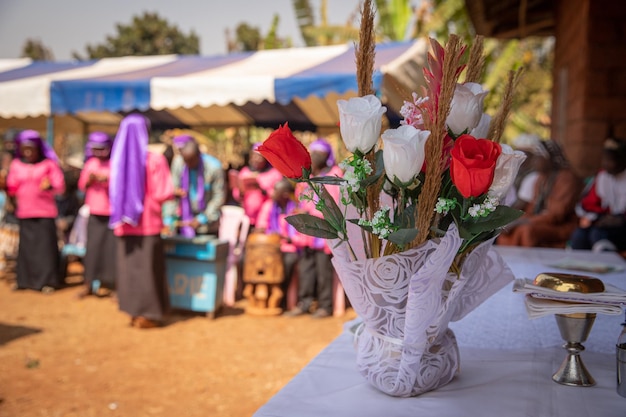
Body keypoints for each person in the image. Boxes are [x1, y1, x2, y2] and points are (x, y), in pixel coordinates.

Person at [109, 114, 174, 329]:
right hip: (148, 223)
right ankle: (149, 314)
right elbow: (163, 192)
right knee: (149, 269)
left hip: (124, 226)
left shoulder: (116, 161)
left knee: (129, 271)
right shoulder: (155, 160)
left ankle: (133, 311)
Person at [285, 138, 343, 318]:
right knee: (305, 267)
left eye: (319, 153)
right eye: (313, 153)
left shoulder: (335, 174)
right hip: (306, 231)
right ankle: (305, 302)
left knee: (323, 268)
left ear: (327, 156)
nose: (315, 156)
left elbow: (337, 202)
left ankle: (325, 305)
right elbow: (300, 198)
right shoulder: (306, 177)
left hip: (324, 229)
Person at [6, 130, 65, 293]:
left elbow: (60, 187)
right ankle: (24, 280)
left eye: (31, 148)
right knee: (26, 249)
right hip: (25, 211)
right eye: (24, 148)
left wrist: (50, 186)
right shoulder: (17, 165)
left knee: (45, 249)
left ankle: (47, 281)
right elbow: (12, 187)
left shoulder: (48, 164)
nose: (28, 152)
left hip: (45, 212)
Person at [497, 139, 584, 248]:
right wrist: (517, 221)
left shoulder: (567, 179)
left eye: (539, 157)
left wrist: (525, 221)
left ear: (550, 159)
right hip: (540, 221)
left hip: (561, 225)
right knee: (505, 231)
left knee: (526, 230)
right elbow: (533, 209)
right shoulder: (541, 179)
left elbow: (557, 214)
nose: (534, 161)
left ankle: (530, 263)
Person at [77, 132, 116, 297]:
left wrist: (106, 181)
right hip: (94, 212)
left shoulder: (115, 163)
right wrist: (90, 180)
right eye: (96, 149)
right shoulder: (90, 164)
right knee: (92, 249)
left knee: (111, 251)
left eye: (102, 149)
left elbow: (119, 186)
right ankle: (88, 283)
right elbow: (81, 186)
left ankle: (110, 284)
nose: (99, 153)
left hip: (112, 213)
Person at [570, 137, 626, 252]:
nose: (605, 164)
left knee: (598, 234)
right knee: (579, 235)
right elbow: (587, 204)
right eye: (604, 159)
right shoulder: (603, 176)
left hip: (623, 225)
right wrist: (599, 217)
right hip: (603, 222)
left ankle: (606, 267)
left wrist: (621, 219)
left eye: (610, 160)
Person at [163, 135, 225, 237]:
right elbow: (173, 192)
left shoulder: (214, 167)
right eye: (186, 161)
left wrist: (203, 218)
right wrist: (168, 219)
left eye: (191, 160)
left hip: (207, 224)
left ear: (199, 155)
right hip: (183, 222)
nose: (189, 164)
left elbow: (219, 196)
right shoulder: (179, 163)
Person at [255, 178, 300, 310]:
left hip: (291, 248)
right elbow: (261, 225)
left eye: (276, 190)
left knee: (288, 262)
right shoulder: (268, 206)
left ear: (285, 194)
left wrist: (288, 238)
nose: (272, 193)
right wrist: (266, 231)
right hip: (270, 247)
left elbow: (301, 236)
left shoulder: (296, 209)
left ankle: (283, 299)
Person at [234, 143, 283, 228]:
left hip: (265, 218)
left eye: (259, 157)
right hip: (247, 216)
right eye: (254, 156)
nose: (256, 159)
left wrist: (262, 189)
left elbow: (278, 195)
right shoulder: (245, 171)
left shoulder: (274, 173)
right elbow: (237, 193)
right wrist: (241, 192)